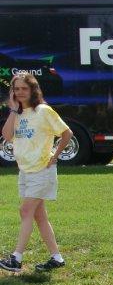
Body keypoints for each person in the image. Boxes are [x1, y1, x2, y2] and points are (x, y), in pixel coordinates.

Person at [0, 73, 72, 273]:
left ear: (33, 90)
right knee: (39, 216)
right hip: (25, 170)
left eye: (24, 88)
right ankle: (56, 258)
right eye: (16, 89)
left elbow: (67, 133)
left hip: (42, 169)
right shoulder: (19, 113)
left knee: (25, 211)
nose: (20, 92)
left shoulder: (44, 111)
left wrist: (55, 155)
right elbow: (7, 136)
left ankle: (16, 258)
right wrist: (14, 110)